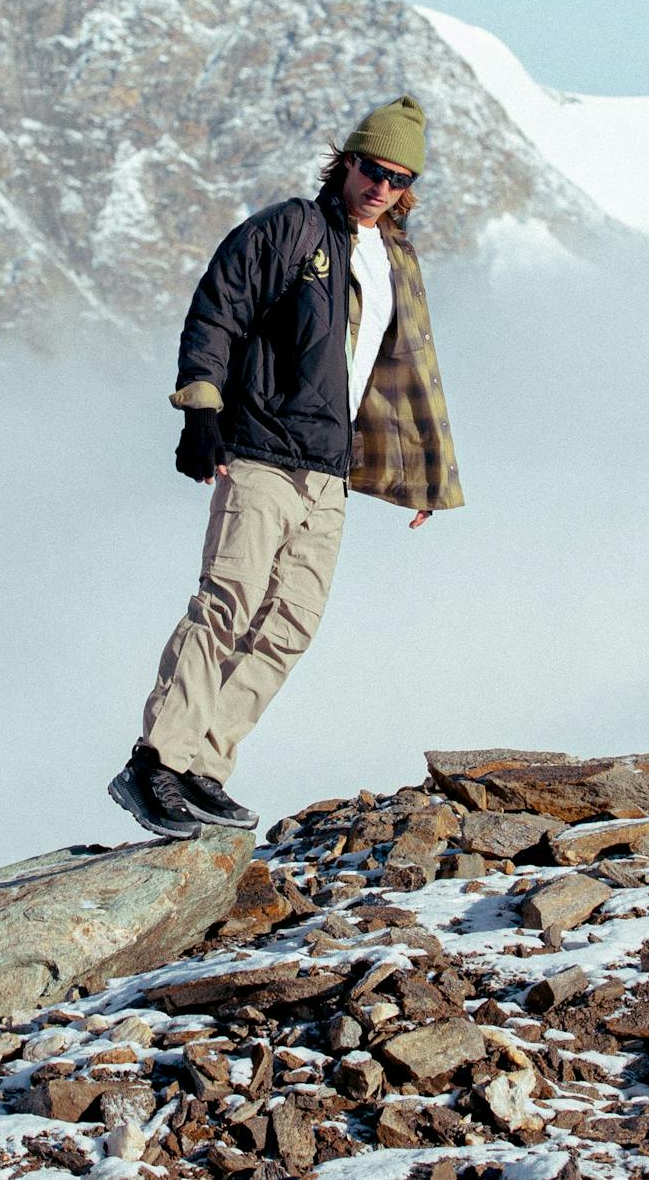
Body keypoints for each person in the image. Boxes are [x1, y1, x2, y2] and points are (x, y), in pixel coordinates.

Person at [108, 95, 463, 838]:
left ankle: (202, 765)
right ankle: (153, 764)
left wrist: (421, 476)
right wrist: (200, 413)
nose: (381, 186)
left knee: (291, 623)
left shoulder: (395, 259)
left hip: (327, 471)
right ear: (347, 162)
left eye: (398, 178)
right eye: (372, 168)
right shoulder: (293, 228)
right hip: (263, 450)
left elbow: (405, 371)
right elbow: (217, 309)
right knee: (227, 601)